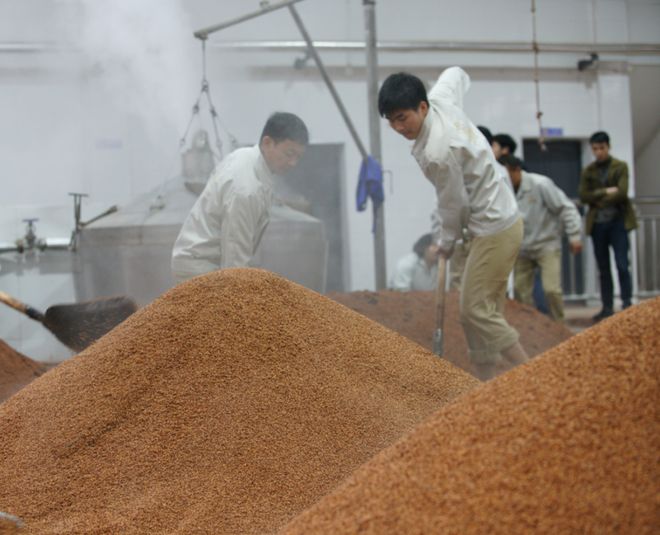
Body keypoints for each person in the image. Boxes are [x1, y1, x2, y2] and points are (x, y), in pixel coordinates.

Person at [378, 66, 528, 381]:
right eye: (390, 121)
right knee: (483, 310)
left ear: (422, 107)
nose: (397, 127)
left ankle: (532, 374)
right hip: (488, 223)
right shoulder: (439, 98)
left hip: (494, 227)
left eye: (402, 117)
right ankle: (486, 381)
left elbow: (452, 204)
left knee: (474, 311)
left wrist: (445, 243)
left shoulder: (437, 151)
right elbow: (456, 73)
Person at [171, 112, 309, 282]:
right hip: (202, 268)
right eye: (289, 154)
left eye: (298, 157)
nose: (293, 163)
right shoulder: (246, 188)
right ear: (267, 143)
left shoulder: (246, 158)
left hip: (204, 263)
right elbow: (235, 258)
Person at [502, 155, 583, 322]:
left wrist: (574, 235)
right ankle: (530, 328)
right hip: (522, 247)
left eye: (506, 173)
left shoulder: (541, 184)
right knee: (519, 290)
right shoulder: (503, 189)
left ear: (516, 170)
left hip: (546, 244)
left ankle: (559, 326)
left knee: (551, 289)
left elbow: (566, 208)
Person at [579, 131, 637, 322]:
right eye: (595, 149)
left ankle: (627, 303)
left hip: (618, 223)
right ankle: (607, 307)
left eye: (601, 148)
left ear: (608, 147)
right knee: (603, 268)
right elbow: (584, 196)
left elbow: (622, 193)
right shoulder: (589, 171)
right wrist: (605, 192)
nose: (598, 152)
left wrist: (597, 198)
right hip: (598, 225)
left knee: (622, 264)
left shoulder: (620, 166)